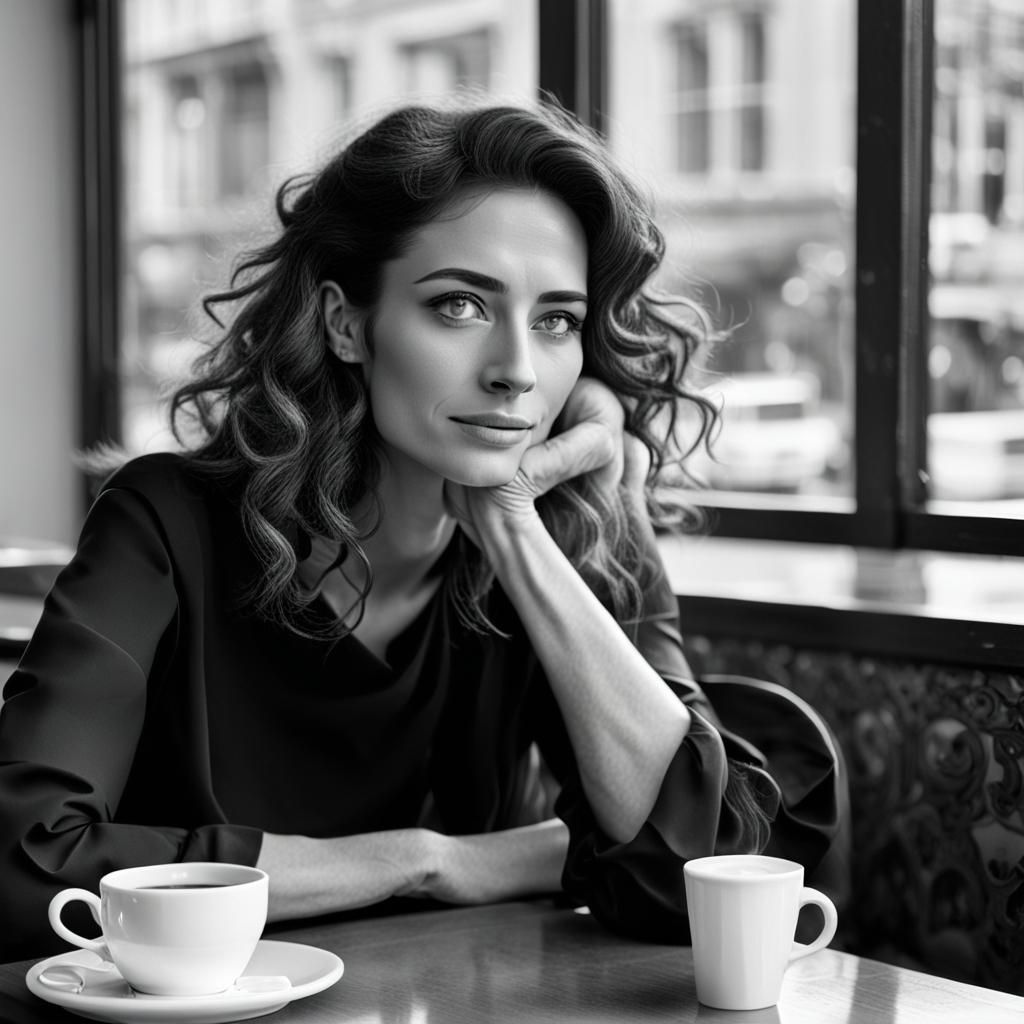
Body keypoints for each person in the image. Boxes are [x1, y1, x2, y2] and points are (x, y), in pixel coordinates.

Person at [0, 99, 842, 962]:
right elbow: (27, 868)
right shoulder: (163, 521)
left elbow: (700, 872)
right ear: (345, 323)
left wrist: (515, 532)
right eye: (459, 307)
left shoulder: (577, 525)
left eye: (555, 321)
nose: (517, 370)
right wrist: (419, 862)